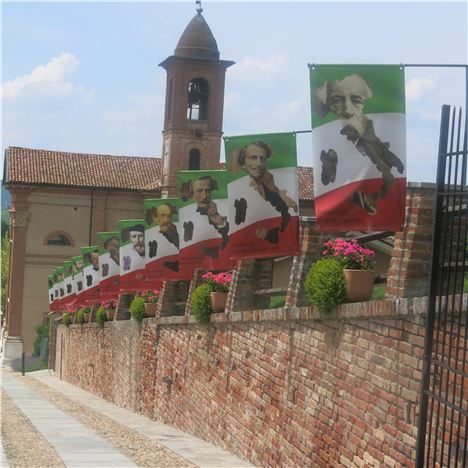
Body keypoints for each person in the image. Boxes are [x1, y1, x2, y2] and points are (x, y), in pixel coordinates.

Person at [315, 74, 405, 213]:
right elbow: (326, 183)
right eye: (337, 101)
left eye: (356, 100)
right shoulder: (330, 139)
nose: (348, 110)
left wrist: (396, 162)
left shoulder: (370, 133)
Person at [236, 141, 298, 234]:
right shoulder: (238, 191)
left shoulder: (270, 187)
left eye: (262, 158)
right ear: (243, 164)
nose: (259, 163)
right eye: (253, 158)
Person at [180, 176, 229, 251]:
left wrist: (220, 223)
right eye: (199, 191)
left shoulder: (225, 207)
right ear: (191, 194)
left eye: (208, 191)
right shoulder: (185, 216)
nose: (204, 196)